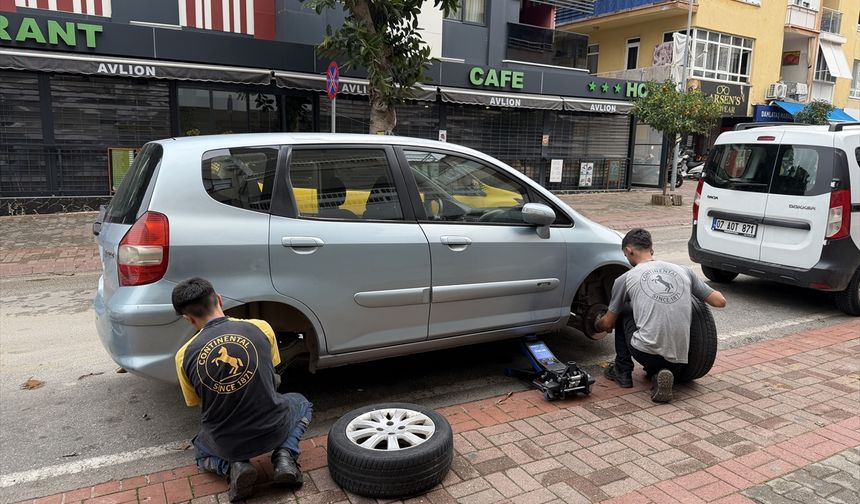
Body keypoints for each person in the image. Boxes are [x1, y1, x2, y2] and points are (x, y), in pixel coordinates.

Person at [172, 277, 312, 501]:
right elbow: (272, 374)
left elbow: (197, 401)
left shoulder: (183, 355)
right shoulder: (260, 327)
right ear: (219, 300)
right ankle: (285, 456)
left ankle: (234, 467)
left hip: (228, 442)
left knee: (200, 446)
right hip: (272, 427)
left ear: (188, 319)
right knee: (301, 402)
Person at [594, 229, 726, 403]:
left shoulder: (625, 278)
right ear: (651, 249)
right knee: (661, 354)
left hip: (646, 354)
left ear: (628, 250)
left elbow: (608, 323)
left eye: (625, 255)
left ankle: (622, 371)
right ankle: (660, 374)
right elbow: (720, 301)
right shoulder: (684, 271)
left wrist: (597, 323)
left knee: (624, 309)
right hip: (680, 358)